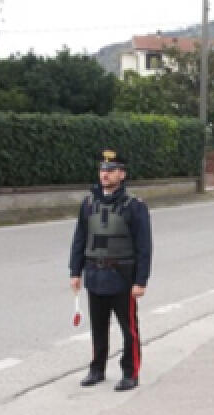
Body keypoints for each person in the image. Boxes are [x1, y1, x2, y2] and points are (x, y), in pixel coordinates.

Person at [69, 149, 152, 391]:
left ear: (122, 174)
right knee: (98, 326)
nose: (105, 174)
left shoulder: (134, 206)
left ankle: (130, 372)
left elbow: (144, 246)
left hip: (122, 277)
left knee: (129, 329)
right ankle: (97, 369)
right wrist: (75, 272)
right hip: (95, 274)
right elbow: (80, 239)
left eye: (111, 170)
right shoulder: (88, 204)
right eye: (103, 170)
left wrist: (141, 281)